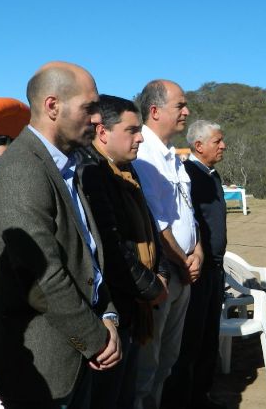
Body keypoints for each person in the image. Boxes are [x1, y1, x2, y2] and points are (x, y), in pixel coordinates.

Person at [0, 61, 121, 408]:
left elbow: (88, 256)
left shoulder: (66, 167)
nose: (97, 119)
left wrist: (107, 314)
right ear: (53, 106)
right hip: (42, 370)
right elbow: (41, 277)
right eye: (89, 108)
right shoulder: (21, 170)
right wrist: (95, 339)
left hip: (77, 351)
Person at [78, 94, 168, 408]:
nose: (140, 137)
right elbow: (111, 248)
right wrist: (151, 286)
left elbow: (149, 228)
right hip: (116, 308)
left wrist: (160, 273)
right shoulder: (92, 173)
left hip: (134, 304)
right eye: (132, 130)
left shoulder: (125, 170)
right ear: (102, 132)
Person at [132, 79, 202, 408]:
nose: (186, 111)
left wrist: (197, 250)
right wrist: (183, 261)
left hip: (184, 270)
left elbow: (187, 213)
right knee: (147, 365)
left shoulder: (171, 155)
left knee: (167, 360)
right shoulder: (143, 154)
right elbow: (158, 224)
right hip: (165, 273)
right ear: (156, 110)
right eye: (180, 105)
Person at [162, 120, 227, 409]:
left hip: (215, 269)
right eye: (217, 141)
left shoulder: (212, 175)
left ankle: (202, 396)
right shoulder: (188, 174)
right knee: (191, 341)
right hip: (195, 270)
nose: (223, 145)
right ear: (198, 146)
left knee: (209, 336)